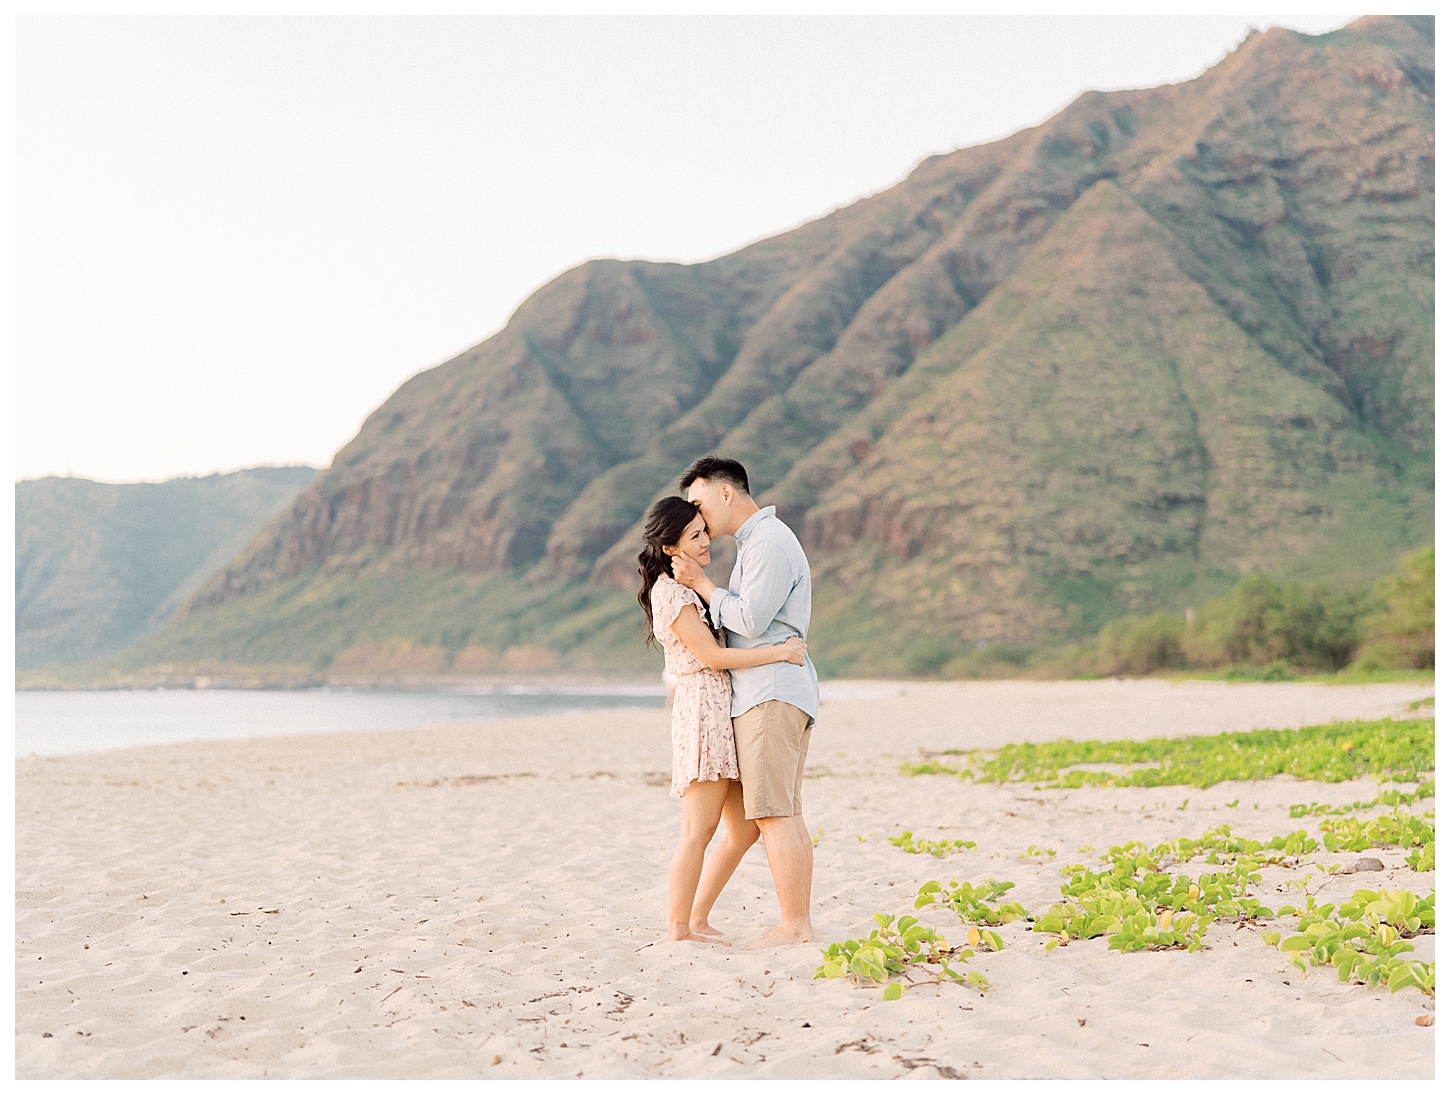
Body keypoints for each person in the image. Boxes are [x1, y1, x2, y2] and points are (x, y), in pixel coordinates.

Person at [637, 495, 807, 944]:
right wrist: (781, 652)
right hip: (703, 715)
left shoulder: (690, 587)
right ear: (670, 548)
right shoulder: (672, 593)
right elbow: (711, 656)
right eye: (694, 536)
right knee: (698, 829)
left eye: (704, 531)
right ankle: (678, 927)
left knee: (744, 829)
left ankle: (696, 918)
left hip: (722, 710)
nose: (706, 540)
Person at [670, 456, 819, 949]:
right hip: (767, 690)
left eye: (699, 502)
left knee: (776, 812)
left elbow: (751, 621)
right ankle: (789, 922)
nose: (697, 516)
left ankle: (794, 925)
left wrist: (701, 585)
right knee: (777, 812)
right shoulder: (756, 544)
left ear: (725, 493)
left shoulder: (770, 542)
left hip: (771, 692)